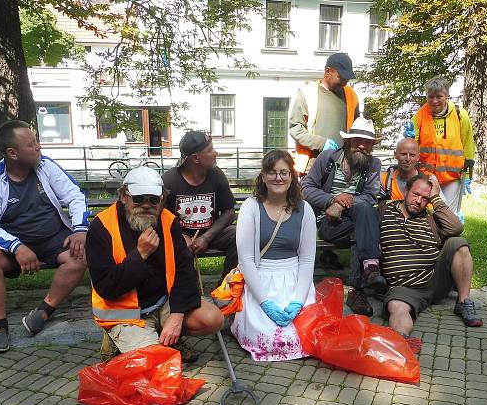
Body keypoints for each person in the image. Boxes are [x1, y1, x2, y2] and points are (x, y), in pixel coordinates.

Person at [0, 120, 89, 354]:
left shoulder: (46, 166)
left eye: (36, 141)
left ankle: (44, 311)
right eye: (31, 144)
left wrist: (80, 229)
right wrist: (17, 246)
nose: (38, 147)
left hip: (53, 241)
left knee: (81, 255)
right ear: (12, 153)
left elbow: (75, 196)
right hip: (14, 250)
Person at [85, 166, 223, 362]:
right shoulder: (101, 227)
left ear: (162, 200)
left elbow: (185, 272)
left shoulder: (168, 221)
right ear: (124, 197)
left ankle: (167, 337)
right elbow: (106, 286)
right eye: (139, 198)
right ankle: (120, 339)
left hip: (162, 303)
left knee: (213, 319)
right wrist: (140, 254)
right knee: (158, 363)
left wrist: (177, 315)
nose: (146, 205)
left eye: (153, 199)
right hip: (127, 315)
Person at [232, 150, 317, 361]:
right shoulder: (250, 208)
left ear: (292, 176)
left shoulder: (305, 210)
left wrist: (298, 300)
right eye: (272, 172)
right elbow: (246, 261)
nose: (278, 177)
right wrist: (265, 303)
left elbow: (306, 260)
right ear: (263, 176)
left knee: (300, 337)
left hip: (294, 279)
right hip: (260, 280)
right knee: (269, 340)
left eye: (283, 172)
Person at [379, 173, 483, 340]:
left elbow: (456, 228)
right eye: (415, 194)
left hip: (434, 281)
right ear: (406, 191)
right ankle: (401, 340)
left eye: (425, 198)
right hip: (403, 288)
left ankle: (463, 302)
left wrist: (435, 197)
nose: (419, 201)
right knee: (396, 306)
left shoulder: (430, 219)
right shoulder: (385, 211)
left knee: (459, 243)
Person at [301, 117, 385, 317]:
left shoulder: (373, 164)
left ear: (372, 145)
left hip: (355, 222)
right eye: (357, 140)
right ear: (348, 141)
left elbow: (370, 195)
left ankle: (358, 289)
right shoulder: (327, 158)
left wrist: (342, 204)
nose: (362, 145)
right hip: (329, 223)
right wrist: (332, 200)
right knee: (365, 218)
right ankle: (369, 272)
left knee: (363, 217)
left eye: (367, 142)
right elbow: (305, 188)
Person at [161, 130, 237, 281]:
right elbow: (159, 216)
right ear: (196, 158)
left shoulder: (216, 175)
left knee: (239, 235)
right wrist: (180, 236)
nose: (215, 153)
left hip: (211, 234)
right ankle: (187, 290)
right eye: (210, 150)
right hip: (180, 237)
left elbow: (229, 210)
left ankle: (227, 287)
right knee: (174, 247)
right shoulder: (169, 181)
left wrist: (207, 237)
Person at [411, 77, 476, 213]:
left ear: (446, 95)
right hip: (428, 175)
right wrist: (411, 137)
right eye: (431, 97)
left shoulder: (459, 114)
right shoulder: (419, 116)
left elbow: (468, 142)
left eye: (439, 96)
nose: (434, 101)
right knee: (434, 211)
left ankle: (449, 233)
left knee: (450, 214)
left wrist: (468, 174)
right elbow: (413, 144)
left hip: (453, 176)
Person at [289, 52, 361, 174]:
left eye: (347, 79)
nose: (345, 82)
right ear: (328, 71)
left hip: (343, 167)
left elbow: (357, 128)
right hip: (312, 167)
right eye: (341, 78)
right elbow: (296, 129)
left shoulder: (351, 95)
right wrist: (322, 143)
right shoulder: (307, 93)